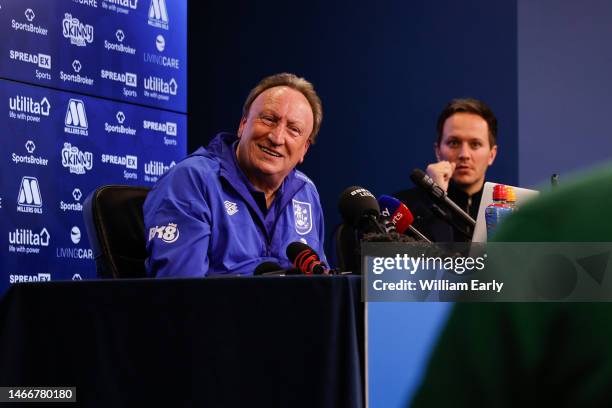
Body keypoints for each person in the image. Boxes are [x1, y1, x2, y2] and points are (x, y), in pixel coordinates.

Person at [144, 73, 327, 277]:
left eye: (293, 130)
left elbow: (322, 284)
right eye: (268, 119)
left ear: (304, 150)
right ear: (243, 125)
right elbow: (181, 289)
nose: (277, 138)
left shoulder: (306, 192)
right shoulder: (192, 180)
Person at [394, 98, 498, 242]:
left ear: (491, 155)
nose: (464, 155)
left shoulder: (509, 212)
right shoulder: (402, 209)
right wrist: (432, 199)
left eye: (475, 144)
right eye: (454, 143)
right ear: (438, 151)